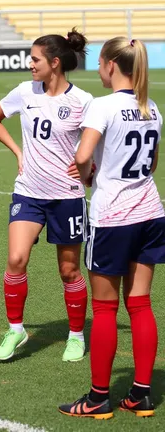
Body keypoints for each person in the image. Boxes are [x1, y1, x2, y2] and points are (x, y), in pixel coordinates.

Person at [59, 38, 165, 419]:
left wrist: (87, 175)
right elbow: (151, 166)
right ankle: (140, 395)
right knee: (140, 304)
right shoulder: (150, 106)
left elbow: (84, 156)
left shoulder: (101, 105)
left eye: (100, 63)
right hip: (151, 213)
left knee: (104, 308)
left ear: (109, 66)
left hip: (113, 217)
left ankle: (98, 398)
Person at [0, 29, 92, 363]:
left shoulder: (82, 102)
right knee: (16, 259)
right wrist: (18, 152)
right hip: (28, 192)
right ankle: (16, 329)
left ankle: (75, 336)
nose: (29, 64)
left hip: (67, 196)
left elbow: (96, 144)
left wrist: (88, 170)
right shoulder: (24, 92)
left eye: (35, 59)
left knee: (69, 271)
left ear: (55, 63)